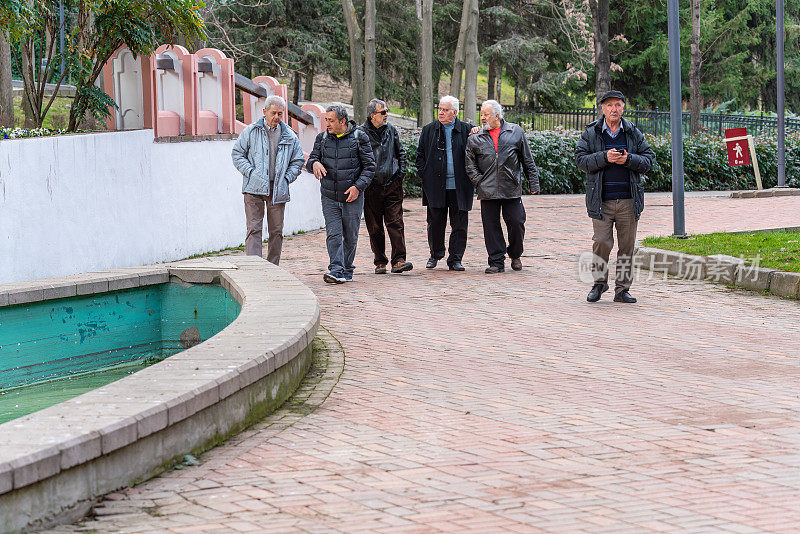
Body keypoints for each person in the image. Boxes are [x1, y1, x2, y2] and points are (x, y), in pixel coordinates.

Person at [575, 90, 655, 303]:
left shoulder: (632, 132)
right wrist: (604, 157)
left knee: (627, 246)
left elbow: (648, 160)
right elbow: (580, 160)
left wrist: (628, 160)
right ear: (603, 109)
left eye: (618, 105)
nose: (614, 109)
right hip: (601, 200)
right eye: (609, 105)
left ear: (623, 108)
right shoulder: (591, 133)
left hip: (629, 201)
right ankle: (599, 284)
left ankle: (622, 290)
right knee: (601, 242)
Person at [465, 100, 539, 274]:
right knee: (490, 227)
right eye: (481, 114)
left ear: (497, 115)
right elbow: (469, 165)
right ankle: (496, 261)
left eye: (486, 114)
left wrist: (533, 182)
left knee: (517, 222)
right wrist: (479, 182)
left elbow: (527, 160)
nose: (482, 117)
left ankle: (515, 254)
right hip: (487, 190)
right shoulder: (475, 137)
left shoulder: (515, 132)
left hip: (510, 188)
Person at [231, 95, 305, 265]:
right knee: (254, 229)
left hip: (278, 189)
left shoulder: (290, 136)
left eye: (280, 113)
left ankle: (273, 266)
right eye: (273, 113)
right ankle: (254, 267)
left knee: (276, 231)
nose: (276, 117)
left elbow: (298, 161)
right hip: (253, 188)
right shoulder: (250, 131)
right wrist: (251, 172)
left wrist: (287, 178)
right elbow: (237, 154)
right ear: (265, 111)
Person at [306, 105, 375, 284]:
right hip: (329, 196)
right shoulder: (321, 139)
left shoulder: (360, 137)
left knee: (350, 236)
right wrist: (314, 164)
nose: (327, 124)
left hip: (352, 197)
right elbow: (312, 159)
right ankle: (336, 269)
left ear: (342, 122)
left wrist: (358, 187)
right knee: (333, 234)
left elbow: (369, 167)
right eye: (326, 120)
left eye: (331, 120)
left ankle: (347, 269)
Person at [415, 95, 475, 271]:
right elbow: (420, 156)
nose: (440, 112)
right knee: (435, 224)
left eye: (445, 110)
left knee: (459, 225)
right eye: (439, 109)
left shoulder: (467, 130)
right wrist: (425, 175)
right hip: (435, 186)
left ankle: (455, 259)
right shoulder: (429, 130)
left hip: (460, 186)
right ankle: (435, 254)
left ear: (455, 113)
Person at [358, 99, 412, 275]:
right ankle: (380, 261)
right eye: (383, 112)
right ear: (373, 115)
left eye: (387, 111)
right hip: (371, 186)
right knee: (374, 227)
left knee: (396, 222)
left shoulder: (391, 130)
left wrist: (400, 175)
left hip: (392, 185)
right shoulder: (360, 133)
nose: (387, 114)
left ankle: (399, 260)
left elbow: (401, 153)